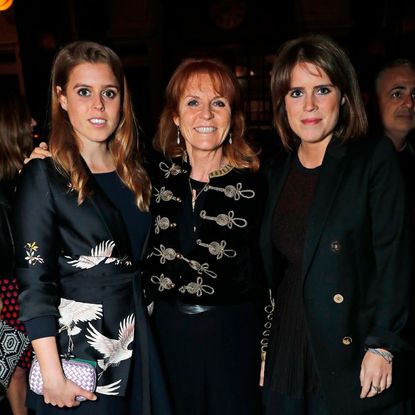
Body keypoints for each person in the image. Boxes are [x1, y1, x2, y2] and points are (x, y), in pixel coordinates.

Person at [12, 40, 171, 414]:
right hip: (79, 360)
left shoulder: (136, 172)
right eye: (84, 92)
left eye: (109, 93)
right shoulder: (44, 175)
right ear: (62, 97)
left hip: (139, 344)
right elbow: (34, 281)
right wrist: (51, 373)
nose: (98, 105)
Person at [260, 34, 414, 415]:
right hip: (288, 347)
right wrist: (264, 345)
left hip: (354, 349)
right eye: (296, 93)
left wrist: (383, 344)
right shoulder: (274, 170)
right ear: (282, 102)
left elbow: (395, 258)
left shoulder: (372, 159)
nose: (309, 105)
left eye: (322, 90)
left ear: (343, 96)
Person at [143, 57, 266, 415]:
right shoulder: (151, 179)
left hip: (234, 338)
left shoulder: (259, 185)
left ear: (233, 116)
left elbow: (274, 274)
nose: (207, 115)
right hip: (167, 338)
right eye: (193, 102)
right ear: (177, 117)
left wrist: (267, 349)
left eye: (219, 103)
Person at [0, 90, 36, 415]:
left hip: (22, 285)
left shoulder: (24, 176)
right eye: (26, 119)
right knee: (17, 370)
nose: (34, 123)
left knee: (20, 371)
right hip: (10, 289)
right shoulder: (8, 184)